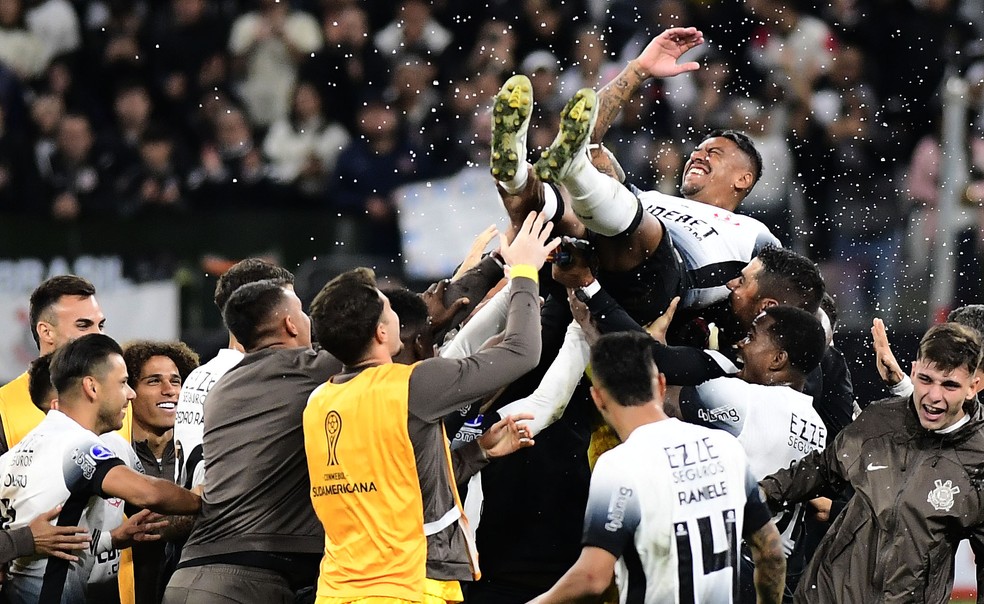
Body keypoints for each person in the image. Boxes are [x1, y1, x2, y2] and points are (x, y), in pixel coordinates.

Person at [302, 211, 557, 602]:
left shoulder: (319, 403)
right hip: (406, 588)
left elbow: (398, 484)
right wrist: (524, 271)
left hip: (337, 590)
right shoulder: (413, 385)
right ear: (382, 332)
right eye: (389, 306)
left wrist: (478, 451)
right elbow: (522, 352)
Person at [491, 27, 779, 323]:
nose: (696, 155)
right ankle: (516, 178)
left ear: (743, 179)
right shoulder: (651, 197)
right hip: (595, 257)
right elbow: (590, 141)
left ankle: (572, 171)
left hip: (663, 283)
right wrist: (638, 69)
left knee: (640, 221)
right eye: (696, 150)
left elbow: (789, 292)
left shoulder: (754, 232)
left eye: (713, 153)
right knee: (559, 208)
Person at [528, 331, 785, 603]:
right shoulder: (726, 447)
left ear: (598, 398)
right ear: (661, 385)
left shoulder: (621, 465)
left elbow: (593, 577)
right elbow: (771, 554)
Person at [760, 322, 984, 603]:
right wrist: (760, 494)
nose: (934, 396)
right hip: (823, 596)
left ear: (974, 386)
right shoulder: (879, 420)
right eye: (926, 380)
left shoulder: (979, 460)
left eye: (949, 385)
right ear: (913, 371)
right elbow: (821, 469)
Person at [163, 279, 341, 604]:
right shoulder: (311, 368)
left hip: (186, 571)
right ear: (289, 323)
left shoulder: (221, 385)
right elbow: (380, 354)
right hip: (248, 580)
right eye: (301, 311)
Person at [0, 334, 200, 604]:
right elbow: (148, 493)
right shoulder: (77, 445)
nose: (130, 394)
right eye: (123, 383)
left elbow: (58, 542)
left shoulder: (21, 451)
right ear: (92, 388)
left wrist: (113, 539)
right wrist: (204, 498)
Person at [0, 275, 131, 456]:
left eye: (101, 325)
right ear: (46, 332)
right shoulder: (4, 406)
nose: (98, 336)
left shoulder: (125, 399)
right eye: (83, 325)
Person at [122, 341, 199, 604]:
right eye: (154, 381)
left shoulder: (198, 455)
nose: (170, 391)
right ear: (130, 392)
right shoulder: (115, 454)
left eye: (176, 381)